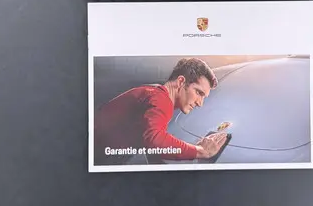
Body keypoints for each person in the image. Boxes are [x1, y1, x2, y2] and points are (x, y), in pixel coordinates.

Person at [93, 57, 228, 165]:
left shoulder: (153, 93)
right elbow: (155, 140)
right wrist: (200, 151)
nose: (200, 103)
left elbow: (149, 143)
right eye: (198, 92)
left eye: (204, 97)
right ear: (181, 82)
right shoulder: (160, 100)